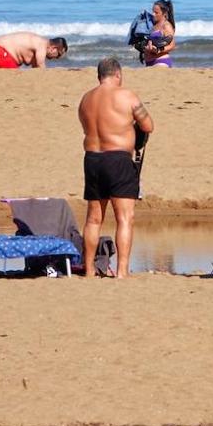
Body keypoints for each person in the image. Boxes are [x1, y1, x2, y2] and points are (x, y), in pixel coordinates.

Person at [78, 57, 153, 278]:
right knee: (125, 217)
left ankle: (90, 269)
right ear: (118, 74)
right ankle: (122, 271)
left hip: (92, 159)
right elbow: (148, 125)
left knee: (93, 219)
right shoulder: (126, 95)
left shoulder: (86, 99)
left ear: (99, 76)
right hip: (118, 159)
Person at [0, 32, 68, 69]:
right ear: (53, 48)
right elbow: (40, 66)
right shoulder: (42, 44)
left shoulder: (38, 42)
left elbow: (35, 68)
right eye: (59, 54)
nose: (57, 58)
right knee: (13, 76)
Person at [142, 0, 176, 68]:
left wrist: (158, 50)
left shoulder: (166, 26)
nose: (153, 14)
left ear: (164, 13)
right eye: (153, 11)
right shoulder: (153, 24)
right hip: (149, 62)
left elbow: (172, 45)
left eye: (156, 12)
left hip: (161, 61)